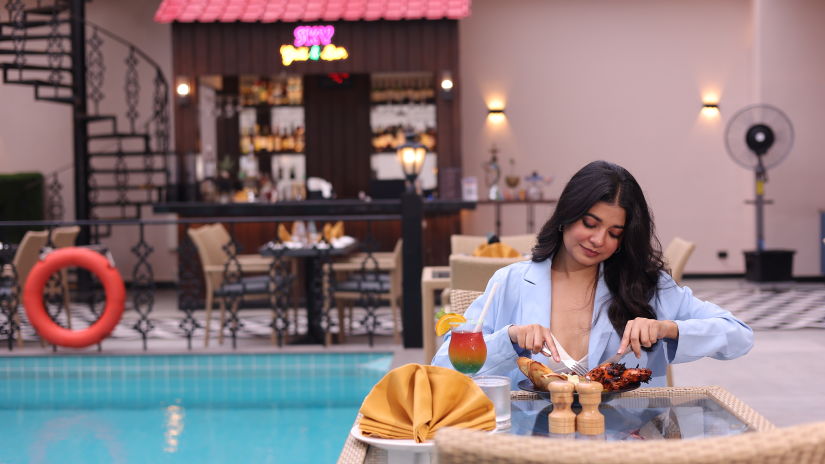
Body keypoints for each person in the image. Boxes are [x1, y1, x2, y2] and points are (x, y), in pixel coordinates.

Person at [432, 160, 753, 387]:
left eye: (615, 232)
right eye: (590, 223)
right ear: (567, 215)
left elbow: (738, 336)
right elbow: (446, 365)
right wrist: (510, 339)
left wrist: (668, 328)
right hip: (529, 444)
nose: (599, 240)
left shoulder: (646, 286)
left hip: (624, 444)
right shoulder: (511, 282)